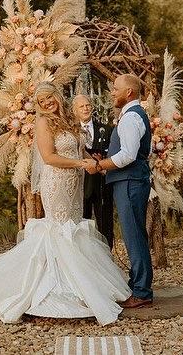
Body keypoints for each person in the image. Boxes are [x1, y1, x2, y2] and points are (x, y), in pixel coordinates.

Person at [0, 83, 131, 325]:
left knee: (73, 226)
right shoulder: (43, 123)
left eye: (50, 97)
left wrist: (94, 163)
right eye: (41, 101)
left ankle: (84, 282)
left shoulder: (68, 119)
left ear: (58, 95)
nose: (47, 103)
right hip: (56, 182)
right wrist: (80, 164)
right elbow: (49, 157)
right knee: (60, 229)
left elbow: (79, 149)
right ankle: (61, 286)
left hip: (75, 182)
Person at [94, 74, 154, 308]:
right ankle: (138, 284)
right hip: (131, 181)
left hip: (130, 182)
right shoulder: (135, 115)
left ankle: (141, 291)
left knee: (134, 235)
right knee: (135, 234)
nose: (112, 92)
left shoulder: (130, 118)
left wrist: (100, 165)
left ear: (129, 92)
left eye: (115, 89)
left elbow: (128, 155)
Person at [73, 93, 114, 248]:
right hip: (80, 184)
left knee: (105, 223)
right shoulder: (72, 131)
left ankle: (107, 254)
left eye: (88, 105)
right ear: (75, 111)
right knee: (81, 223)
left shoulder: (106, 129)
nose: (85, 108)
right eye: (81, 106)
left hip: (102, 184)